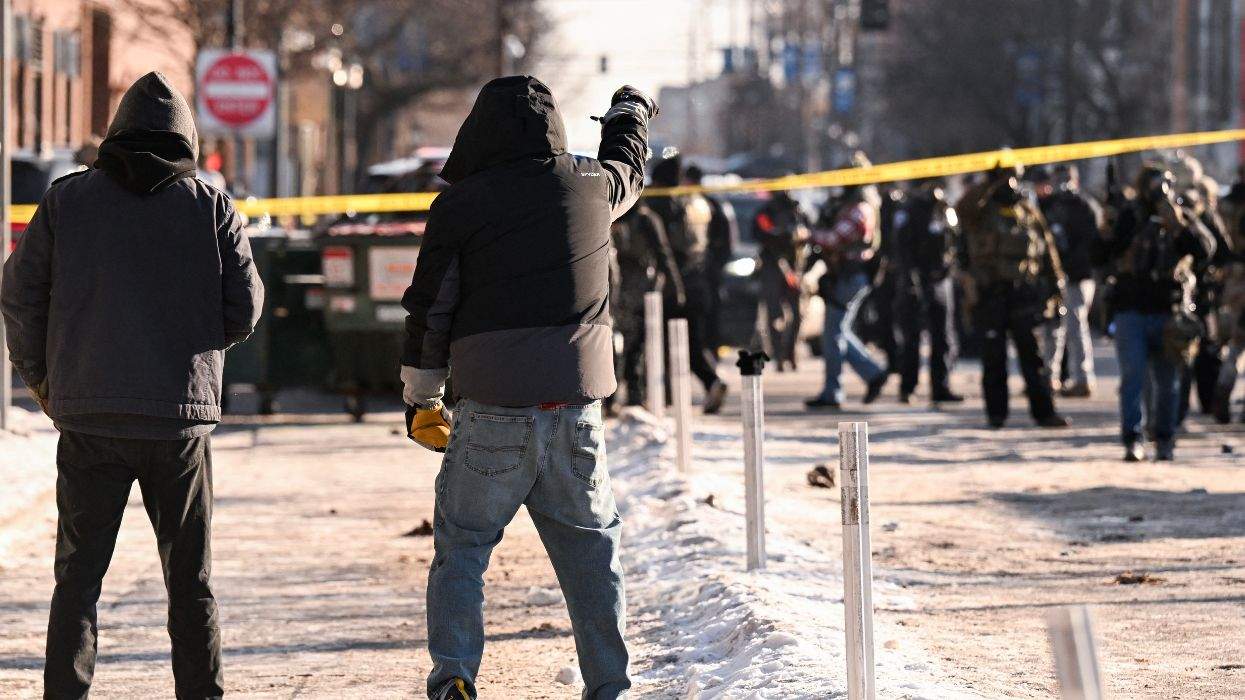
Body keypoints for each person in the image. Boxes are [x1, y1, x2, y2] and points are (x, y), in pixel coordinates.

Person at [1, 72, 263, 699]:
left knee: (78, 581)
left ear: (116, 134)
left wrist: (43, 378)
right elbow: (246, 307)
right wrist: (190, 352)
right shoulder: (211, 205)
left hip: (89, 418)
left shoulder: (67, 200)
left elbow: (18, 294)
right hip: (177, 425)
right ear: (186, 141)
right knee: (190, 582)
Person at [398, 77, 653, 700]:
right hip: (575, 409)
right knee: (591, 554)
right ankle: (609, 686)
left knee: (461, 549)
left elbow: (430, 308)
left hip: (490, 410)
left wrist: (423, 397)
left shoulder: (459, 206)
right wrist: (629, 114)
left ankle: (455, 673)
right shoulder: (592, 187)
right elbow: (629, 166)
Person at [1093, 165, 1216, 461]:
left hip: (1167, 310)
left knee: (1168, 383)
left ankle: (1164, 438)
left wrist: (1180, 226)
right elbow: (1101, 254)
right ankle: (1133, 438)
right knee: (1132, 377)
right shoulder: (1129, 216)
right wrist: (1109, 224)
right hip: (1130, 309)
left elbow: (1207, 249)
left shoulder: (1179, 215)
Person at [957, 165, 1070, 429]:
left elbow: (1047, 249)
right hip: (991, 292)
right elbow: (963, 210)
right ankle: (996, 415)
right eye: (1003, 178)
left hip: (1023, 293)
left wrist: (1056, 286)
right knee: (993, 356)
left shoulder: (1027, 211)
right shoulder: (981, 211)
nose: (1009, 185)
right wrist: (988, 182)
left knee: (1033, 357)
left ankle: (1044, 412)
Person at [648, 154, 729, 413]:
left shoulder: (665, 204)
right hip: (699, 280)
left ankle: (671, 396)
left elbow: (664, 248)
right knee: (692, 342)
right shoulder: (698, 202)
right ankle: (710, 382)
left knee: (665, 342)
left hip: (675, 285)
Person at [805, 183, 889, 409]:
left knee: (832, 335)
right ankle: (873, 374)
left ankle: (833, 393)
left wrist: (809, 234)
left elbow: (834, 238)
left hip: (851, 277)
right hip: (848, 277)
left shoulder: (858, 210)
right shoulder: (858, 207)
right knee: (837, 332)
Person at [892, 178, 963, 404]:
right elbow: (901, 247)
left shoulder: (944, 210)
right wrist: (910, 277)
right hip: (915, 280)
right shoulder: (909, 211)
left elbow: (954, 242)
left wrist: (949, 269)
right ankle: (908, 387)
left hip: (940, 280)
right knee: (912, 337)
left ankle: (940, 387)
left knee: (943, 336)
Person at [1037, 164, 1105, 398]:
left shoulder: (1084, 206)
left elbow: (1093, 243)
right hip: (1054, 277)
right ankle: (1049, 377)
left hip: (1079, 276)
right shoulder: (1050, 207)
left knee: (1076, 326)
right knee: (1052, 328)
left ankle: (1083, 378)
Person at [611, 201, 684, 409]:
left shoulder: (611, 215)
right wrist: (675, 286)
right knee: (636, 345)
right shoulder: (645, 218)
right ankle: (634, 395)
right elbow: (662, 253)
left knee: (619, 344)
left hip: (617, 290)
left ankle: (616, 397)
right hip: (640, 290)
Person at [753, 190, 809, 371]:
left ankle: (790, 352)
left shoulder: (798, 211)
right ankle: (779, 355)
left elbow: (809, 235)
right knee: (774, 314)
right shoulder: (767, 211)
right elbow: (761, 233)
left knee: (797, 314)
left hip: (795, 267)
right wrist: (782, 235)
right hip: (773, 266)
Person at [685, 164, 738, 350]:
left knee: (710, 316)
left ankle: (711, 352)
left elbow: (726, 241)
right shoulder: (703, 203)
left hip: (706, 272)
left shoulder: (707, 205)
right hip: (701, 271)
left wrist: (716, 265)